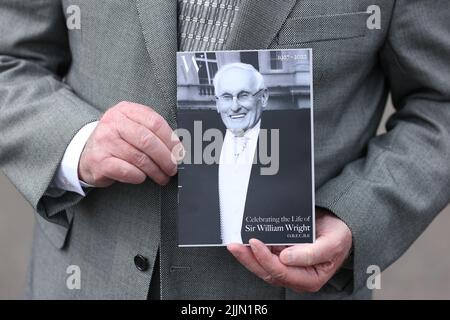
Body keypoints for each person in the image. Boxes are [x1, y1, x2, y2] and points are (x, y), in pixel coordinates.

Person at [0, 0, 449, 299]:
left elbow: (440, 102)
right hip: (90, 275)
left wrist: (356, 215)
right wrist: (75, 141)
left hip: (284, 283)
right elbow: (10, 59)